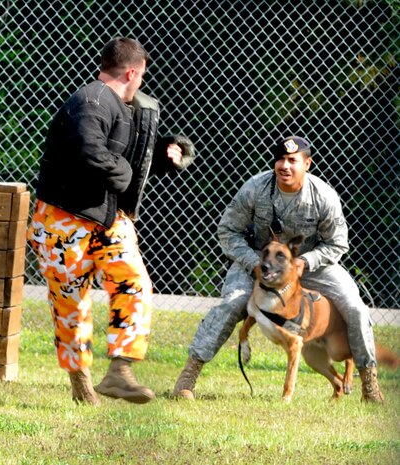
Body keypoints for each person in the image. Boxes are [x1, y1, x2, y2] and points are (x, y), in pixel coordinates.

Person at [27, 37, 195, 405]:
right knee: (72, 305)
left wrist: (169, 154)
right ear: (132, 72)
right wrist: (124, 173)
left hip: (108, 218)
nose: (142, 84)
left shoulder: (124, 105)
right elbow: (92, 152)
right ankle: (81, 382)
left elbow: (130, 153)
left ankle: (120, 370)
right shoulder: (90, 102)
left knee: (133, 281)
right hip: (63, 221)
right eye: (142, 76)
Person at [173, 135, 384, 403]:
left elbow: (337, 244)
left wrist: (305, 262)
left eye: (293, 160)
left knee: (354, 306)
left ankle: (369, 384)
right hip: (260, 260)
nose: (285, 165)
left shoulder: (324, 196)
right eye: (281, 159)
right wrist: (254, 263)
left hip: (310, 264)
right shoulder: (255, 188)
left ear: (307, 164)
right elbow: (228, 231)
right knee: (233, 303)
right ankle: (187, 378)